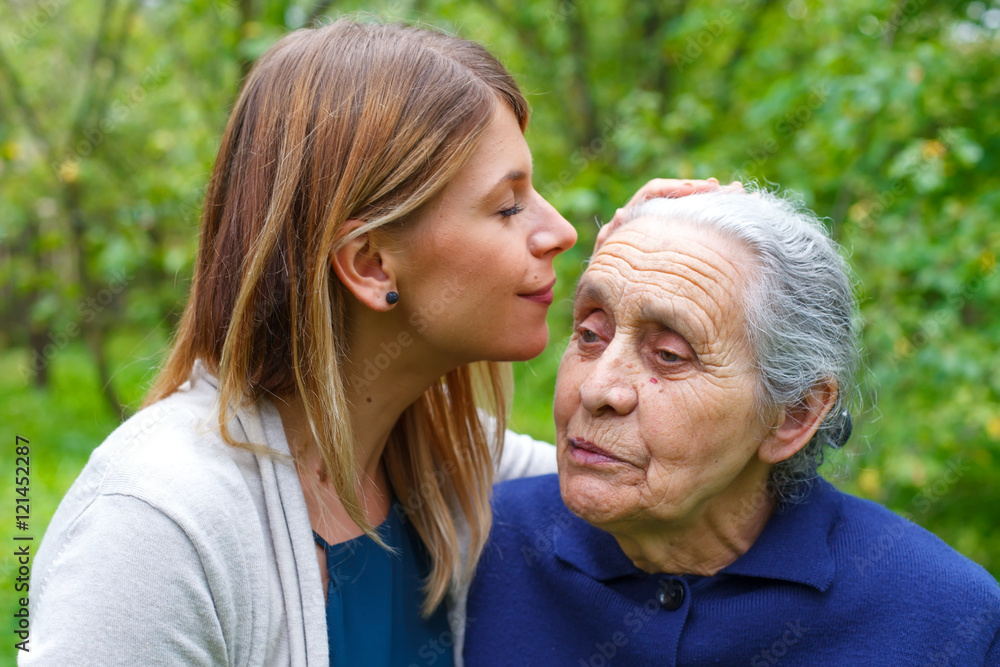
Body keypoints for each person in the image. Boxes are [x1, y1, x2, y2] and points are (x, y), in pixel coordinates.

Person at [24, 18, 727, 666]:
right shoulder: (156, 526)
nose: (561, 232)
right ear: (370, 264)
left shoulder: (453, 465)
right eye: (508, 205)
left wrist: (657, 274)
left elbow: (696, 501)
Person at [464, 189, 1000, 665]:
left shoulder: (945, 616)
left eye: (669, 354)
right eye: (589, 333)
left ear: (793, 415)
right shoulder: (481, 546)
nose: (597, 389)